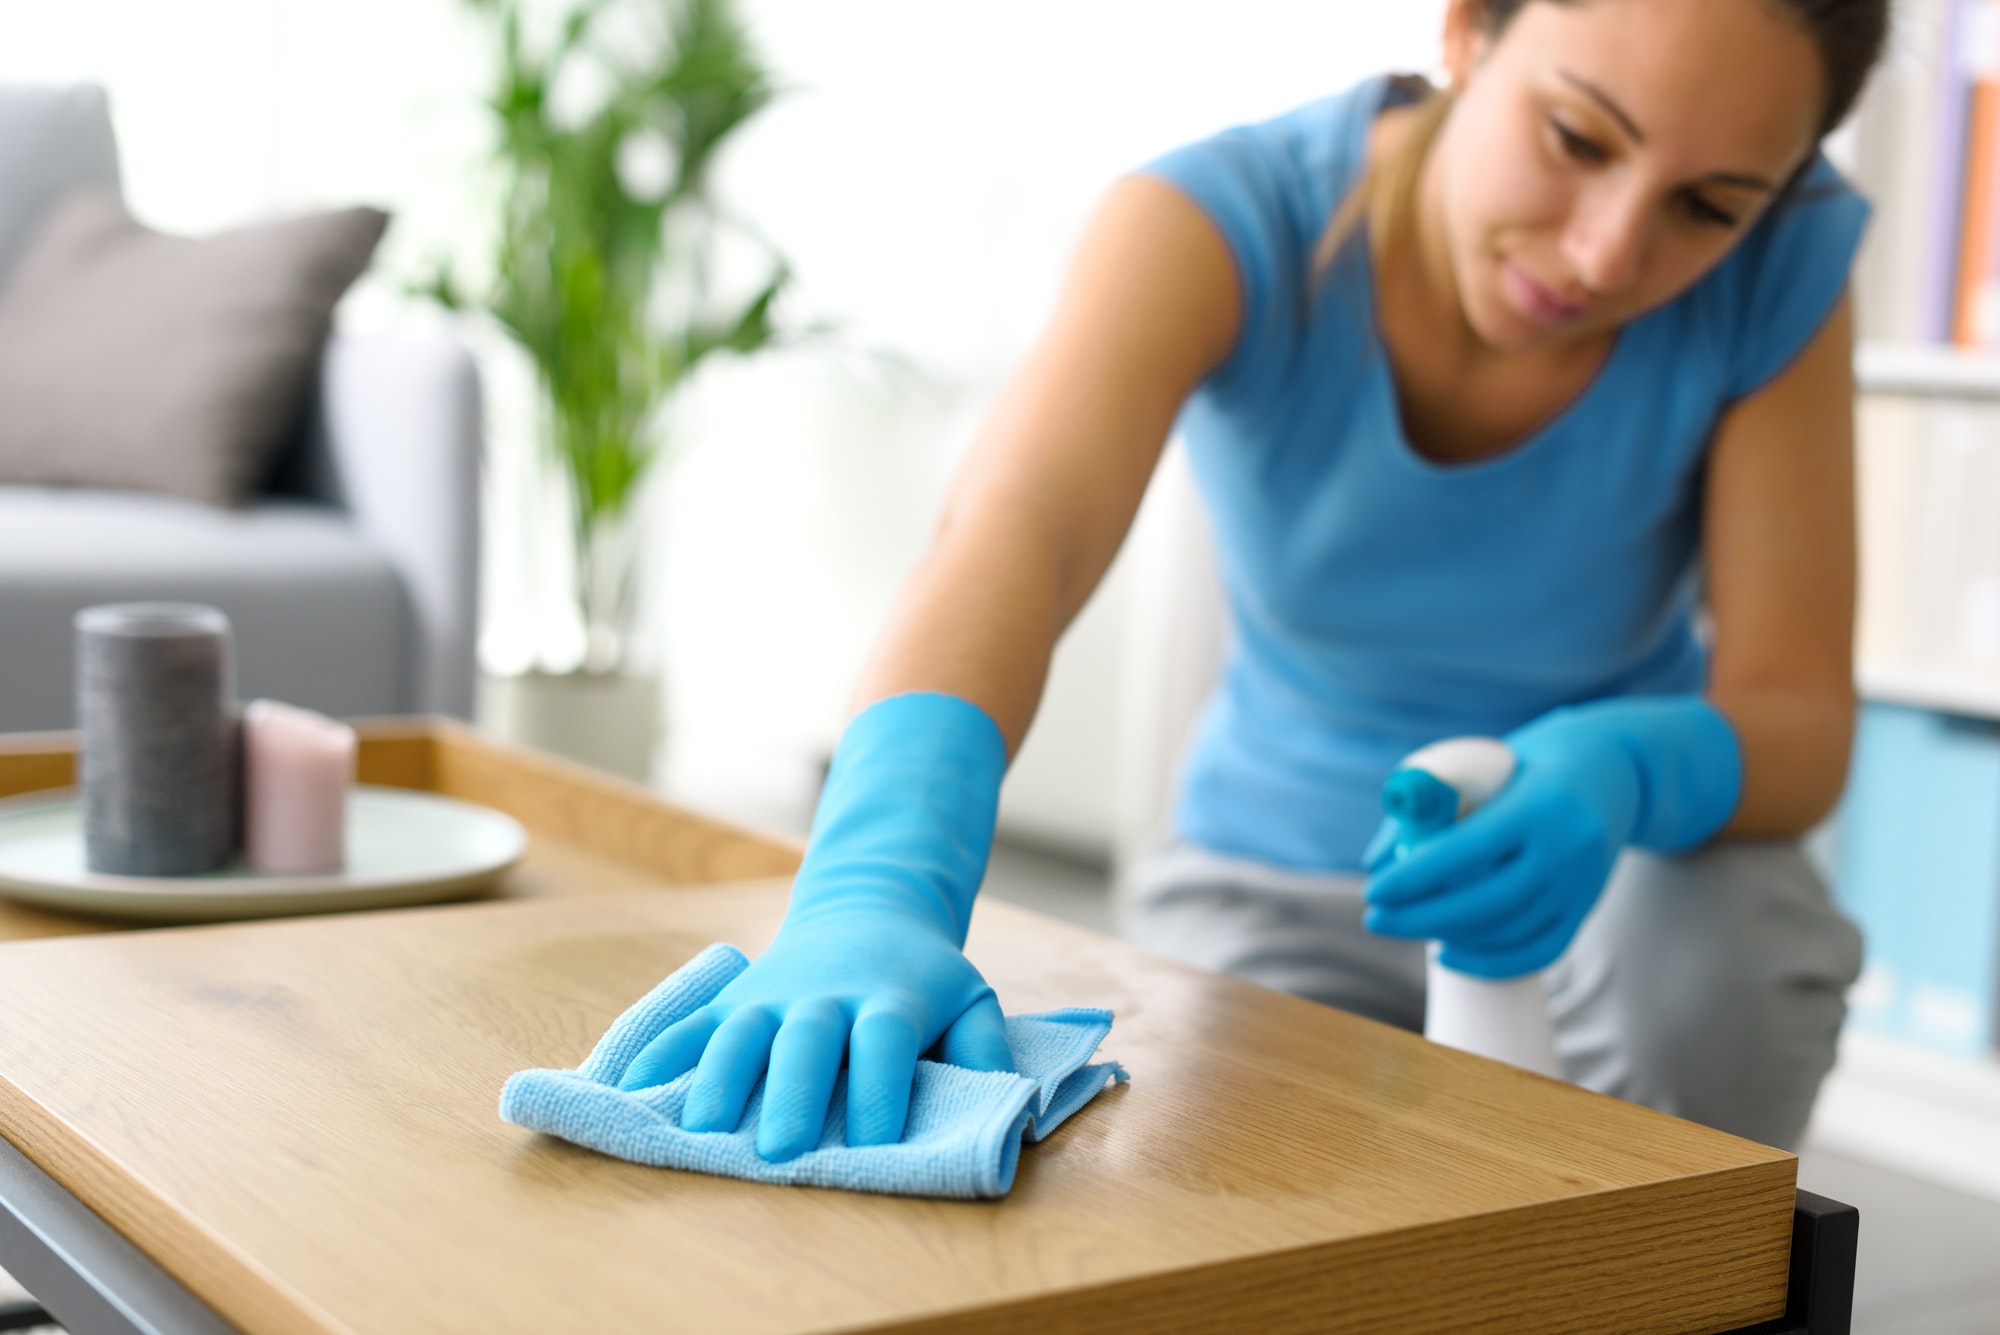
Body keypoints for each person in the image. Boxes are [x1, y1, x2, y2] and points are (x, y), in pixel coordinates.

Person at [620, 0, 1887, 1159]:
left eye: (1707, 207)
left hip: (1621, 885)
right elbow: (1018, 528)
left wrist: (1626, 768)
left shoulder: (1786, 266)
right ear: (1464, 34)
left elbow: (1797, 718)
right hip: (1265, 883)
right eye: (1572, 137)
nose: (1608, 254)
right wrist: (875, 878)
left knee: (1726, 965)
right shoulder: (1219, 217)